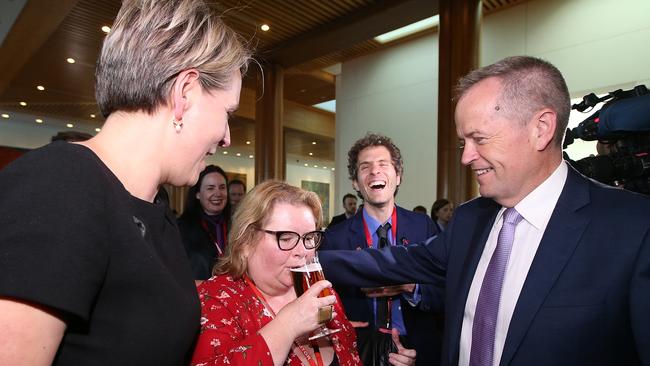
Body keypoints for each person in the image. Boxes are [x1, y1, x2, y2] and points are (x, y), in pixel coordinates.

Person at [319, 56, 650, 366]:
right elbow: (392, 262)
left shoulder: (632, 228)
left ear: (541, 128)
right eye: (464, 142)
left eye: (479, 138)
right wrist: (300, 262)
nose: (466, 157)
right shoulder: (469, 219)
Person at [0, 0, 251, 364]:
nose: (227, 137)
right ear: (185, 93)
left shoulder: (156, 209)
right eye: (227, 113)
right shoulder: (59, 186)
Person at [190, 181, 371, 365]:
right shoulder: (217, 299)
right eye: (286, 238)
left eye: (309, 238)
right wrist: (287, 326)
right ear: (245, 241)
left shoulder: (321, 293)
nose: (302, 251)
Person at [320, 133, 442, 366]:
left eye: (383, 165)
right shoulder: (335, 238)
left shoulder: (423, 226)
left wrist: (409, 286)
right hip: (359, 351)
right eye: (365, 167)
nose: (375, 172)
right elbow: (324, 307)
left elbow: (446, 292)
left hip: (419, 349)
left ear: (398, 176)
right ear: (355, 182)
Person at [178, 165, 231, 281]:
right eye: (210, 188)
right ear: (197, 194)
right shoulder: (181, 228)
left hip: (236, 294)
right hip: (198, 294)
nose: (218, 193)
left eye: (222, 187)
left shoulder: (238, 225)